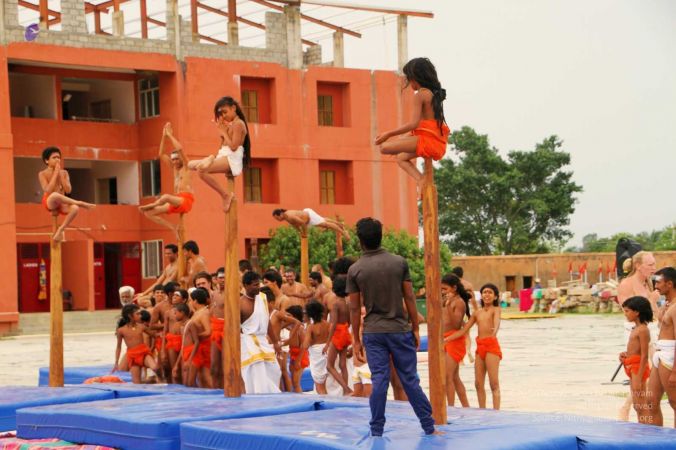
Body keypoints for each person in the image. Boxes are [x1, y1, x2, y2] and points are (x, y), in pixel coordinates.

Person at [347, 217, 436, 436]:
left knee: (379, 381)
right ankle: (428, 427)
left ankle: (376, 430)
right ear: (381, 236)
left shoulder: (355, 269)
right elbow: (409, 297)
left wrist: (356, 339)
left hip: (373, 332)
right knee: (410, 379)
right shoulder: (399, 262)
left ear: (360, 240)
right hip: (399, 329)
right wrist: (416, 327)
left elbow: (354, 308)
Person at [375, 57, 449, 192]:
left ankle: (422, 180)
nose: (408, 83)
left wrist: (388, 134)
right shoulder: (432, 94)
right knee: (401, 158)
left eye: (409, 78)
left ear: (415, 77)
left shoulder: (420, 95)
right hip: (435, 141)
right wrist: (401, 142)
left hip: (428, 141)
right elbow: (424, 125)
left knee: (384, 147)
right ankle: (421, 180)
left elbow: (413, 124)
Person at [188, 96, 250, 212]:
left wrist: (223, 132)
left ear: (233, 108)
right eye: (221, 114)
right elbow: (222, 147)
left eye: (225, 112)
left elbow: (233, 147)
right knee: (189, 164)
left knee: (201, 170)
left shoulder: (239, 124)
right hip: (223, 155)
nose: (223, 116)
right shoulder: (231, 124)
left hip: (232, 159)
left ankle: (225, 195)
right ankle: (210, 158)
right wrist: (223, 133)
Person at [446, 283, 502, 410]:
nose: (487, 295)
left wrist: (494, 331)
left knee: (493, 383)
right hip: (480, 347)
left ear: (495, 297)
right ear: (481, 295)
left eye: (490, 292)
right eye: (484, 292)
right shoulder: (477, 313)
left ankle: (496, 412)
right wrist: (447, 339)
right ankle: (482, 410)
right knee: (478, 383)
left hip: (491, 346)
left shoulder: (496, 309)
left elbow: (497, 321)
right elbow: (463, 330)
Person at [617, 251, 658, 420]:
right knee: (642, 371)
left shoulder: (648, 283)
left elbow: (653, 312)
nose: (654, 268)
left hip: (652, 328)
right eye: (650, 265)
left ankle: (637, 409)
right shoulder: (627, 283)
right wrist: (651, 300)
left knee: (654, 370)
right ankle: (629, 408)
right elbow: (627, 310)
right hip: (634, 331)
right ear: (638, 265)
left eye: (654, 264)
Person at [139, 123, 194, 240]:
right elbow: (161, 154)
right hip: (176, 200)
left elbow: (180, 149)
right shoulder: (174, 168)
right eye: (173, 159)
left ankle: (153, 204)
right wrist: (163, 136)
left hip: (185, 200)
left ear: (181, 158)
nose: (174, 161)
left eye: (177, 159)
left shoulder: (186, 166)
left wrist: (170, 135)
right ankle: (172, 227)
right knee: (148, 213)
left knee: (165, 197)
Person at [38, 146, 95, 241]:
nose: (57, 159)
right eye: (54, 157)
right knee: (54, 195)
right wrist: (55, 173)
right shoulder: (42, 174)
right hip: (50, 201)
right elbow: (47, 190)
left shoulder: (64, 173)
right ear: (47, 160)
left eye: (58, 157)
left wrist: (60, 175)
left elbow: (68, 190)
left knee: (75, 208)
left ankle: (61, 229)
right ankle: (80, 202)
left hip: (62, 202)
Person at [239, 271, 282, 393]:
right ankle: (257, 397)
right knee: (256, 371)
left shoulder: (262, 298)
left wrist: (275, 342)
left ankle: (271, 396)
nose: (258, 287)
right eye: (255, 285)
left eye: (259, 284)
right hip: (248, 343)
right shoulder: (240, 303)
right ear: (246, 285)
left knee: (275, 369)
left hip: (263, 341)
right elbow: (235, 329)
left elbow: (266, 321)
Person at [646, 267, 676, 427]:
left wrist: (675, 372)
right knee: (651, 401)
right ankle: (656, 439)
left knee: (674, 402)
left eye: (658, 282)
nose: (655, 286)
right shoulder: (668, 304)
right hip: (660, 352)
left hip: (670, 354)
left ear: (669, 284)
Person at [619, 296, 653, 424]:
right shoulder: (635, 328)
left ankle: (647, 428)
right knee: (637, 405)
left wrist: (639, 377)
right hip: (632, 366)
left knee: (641, 403)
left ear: (637, 312)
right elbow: (635, 350)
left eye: (627, 311)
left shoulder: (643, 330)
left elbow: (644, 355)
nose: (625, 314)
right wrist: (625, 355)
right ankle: (642, 426)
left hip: (638, 368)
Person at [441, 273, 471, 407]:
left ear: (454, 288)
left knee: (448, 376)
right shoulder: (446, 301)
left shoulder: (459, 302)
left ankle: (450, 407)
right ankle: (466, 405)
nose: (443, 292)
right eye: (441, 289)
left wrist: (448, 307)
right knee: (454, 377)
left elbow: (457, 325)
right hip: (444, 339)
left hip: (454, 340)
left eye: (445, 289)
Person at [113, 304, 161, 384]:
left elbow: (154, 335)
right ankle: (150, 382)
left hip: (144, 354)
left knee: (155, 368)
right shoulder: (121, 330)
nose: (140, 316)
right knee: (137, 383)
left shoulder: (141, 326)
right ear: (130, 316)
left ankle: (163, 382)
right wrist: (116, 362)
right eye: (137, 314)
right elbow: (118, 347)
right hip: (132, 357)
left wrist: (161, 334)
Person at [266, 286, 300, 392]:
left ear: (271, 302)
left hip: (276, 346)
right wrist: (280, 327)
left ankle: (286, 394)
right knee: (275, 373)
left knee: (280, 372)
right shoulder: (264, 314)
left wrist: (289, 339)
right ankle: (278, 392)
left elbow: (296, 322)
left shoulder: (277, 313)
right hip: (267, 346)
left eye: (264, 302)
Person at [323, 276, 353, 395]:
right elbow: (349, 322)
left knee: (329, 366)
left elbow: (333, 324)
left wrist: (327, 343)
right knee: (342, 364)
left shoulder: (335, 304)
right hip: (345, 332)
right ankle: (346, 391)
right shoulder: (347, 303)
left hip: (337, 334)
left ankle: (346, 389)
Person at [302, 300, 330, 395]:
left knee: (319, 386)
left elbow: (305, 345)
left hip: (317, 356)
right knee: (324, 384)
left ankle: (324, 402)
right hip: (327, 352)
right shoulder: (327, 324)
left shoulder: (311, 327)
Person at [188, 287, 213, 388]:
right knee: (201, 376)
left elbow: (208, 331)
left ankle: (216, 394)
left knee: (206, 376)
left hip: (204, 347)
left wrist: (195, 336)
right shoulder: (197, 312)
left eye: (190, 300)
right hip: (197, 347)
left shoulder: (204, 313)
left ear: (195, 301)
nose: (190, 302)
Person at [452, 266, 477, 364]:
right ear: (462, 274)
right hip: (467, 310)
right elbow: (473, 299)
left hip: (456, 310)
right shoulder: (468, 285)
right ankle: (468, 351)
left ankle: (461, 359)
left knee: (457, 333)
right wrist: (476, 311)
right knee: (467, 334)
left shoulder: (453, 285)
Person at [272, 208, 350, 241]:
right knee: (322, 219)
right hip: (306, 214)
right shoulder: (286, 217)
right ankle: (339, 224)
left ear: (281, 214)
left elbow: (302, 224)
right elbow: (295, 225)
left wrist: (305, 234)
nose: (277, 220)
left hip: (309, 217)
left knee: (326, 225)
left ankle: (344, 232)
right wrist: (300, 233)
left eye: (277, 218)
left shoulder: (290, 216)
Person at [284, 305, 308, 393]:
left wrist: (298, 360)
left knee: (296, 382)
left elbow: (304, 345)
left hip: (300, 356)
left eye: (289, 315)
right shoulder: (291, 327)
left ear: (295, 317)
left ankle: (300, 398)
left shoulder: (300, 328)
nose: (286, 317)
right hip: (293, 355)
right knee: (294, 382)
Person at [166, 302, 189, 384]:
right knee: (174, 372)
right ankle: (175, 389)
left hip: (184, 347)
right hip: (172, 344)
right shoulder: (176, 324)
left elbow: (184, 345)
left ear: (182, 313)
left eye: (176, 313)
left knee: (183, 371)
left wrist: (177, 364)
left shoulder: (187, 324)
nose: (174, 315)